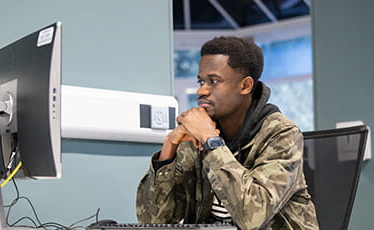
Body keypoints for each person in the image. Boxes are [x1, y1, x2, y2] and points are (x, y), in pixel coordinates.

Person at [136, 36, 319, 230]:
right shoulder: (198, 134)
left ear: (245, 86)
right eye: (201, 82)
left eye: (213, 81)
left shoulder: (282, 134)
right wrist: (168, 151)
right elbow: (153, 222)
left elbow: (252, 217)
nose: (201, 91)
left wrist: (211, 142)